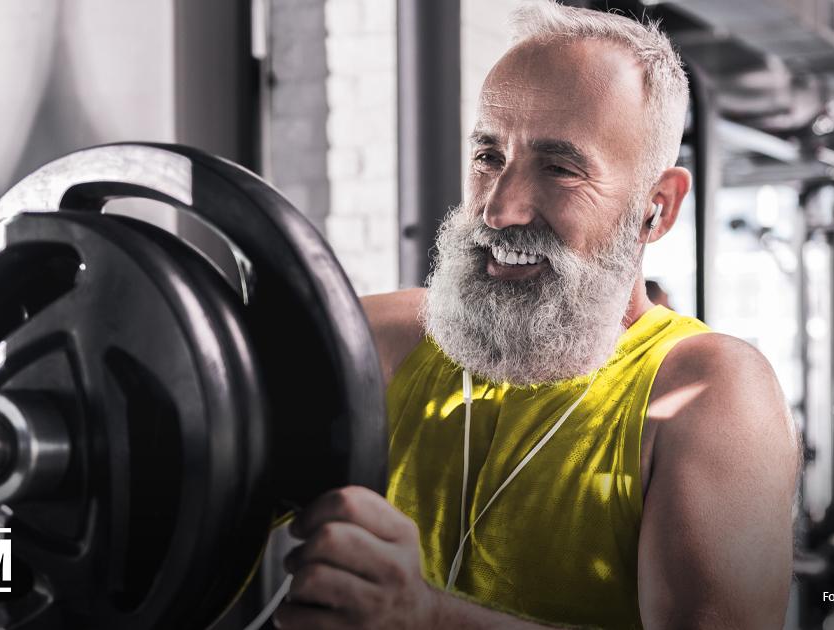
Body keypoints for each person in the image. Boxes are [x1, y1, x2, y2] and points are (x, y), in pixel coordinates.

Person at [273, 3, 799, 629]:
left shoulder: (710, 393)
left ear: (656, 207)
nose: (500, 210)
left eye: (559, 168)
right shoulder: (383, 343)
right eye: (489, 157)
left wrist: (425, 617)